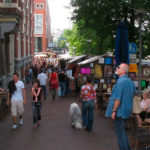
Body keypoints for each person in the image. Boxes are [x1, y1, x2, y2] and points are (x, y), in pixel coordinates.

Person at [105, 63, 135, 150]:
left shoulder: (120, 82)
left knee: (120, 133)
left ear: (123, 70)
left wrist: (113, 111)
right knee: (122, 132)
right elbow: (134, 93)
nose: (116, 68)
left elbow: (117, 98)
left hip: (119, 111)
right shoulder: (130, 81)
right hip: (127, 110)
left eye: (118, 67)